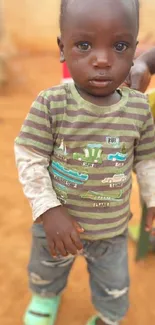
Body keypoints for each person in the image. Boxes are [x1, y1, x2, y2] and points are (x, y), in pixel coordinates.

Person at [14, 1, 155, 325]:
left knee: (114, 285)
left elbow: (148, 158)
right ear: (63, 49)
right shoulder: (51, 104)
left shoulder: (138, 107)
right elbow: (30, 157)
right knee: (45, 269)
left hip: (112, 230)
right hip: (55, 226)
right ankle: (45, 297)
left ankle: (108, 316)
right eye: (84, 45)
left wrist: (152, 197)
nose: (103, 59)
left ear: (134, 49)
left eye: (119, 46)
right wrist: (48, 209)